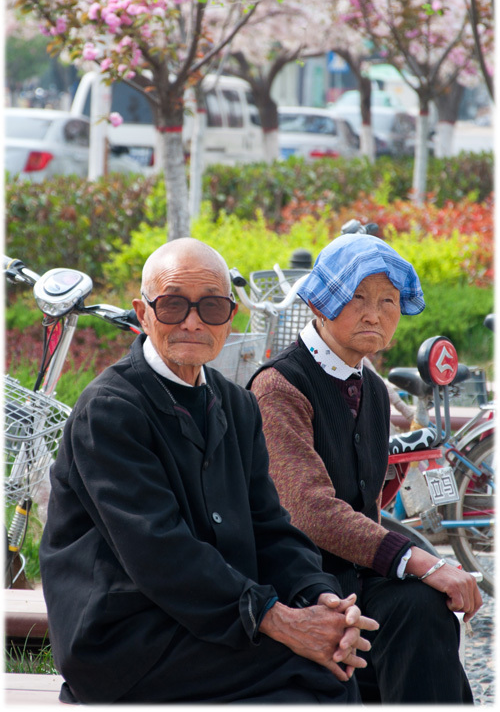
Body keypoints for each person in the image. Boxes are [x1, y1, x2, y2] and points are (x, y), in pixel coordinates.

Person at [39, 238, 379, 705]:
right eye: (173, 305)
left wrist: (319, 600)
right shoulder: (110, 410)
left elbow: (270, 525)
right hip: (126, 636)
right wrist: (277, 620)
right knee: (312, 677)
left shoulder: (236, 403)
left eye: (212, 307)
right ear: (143, 313)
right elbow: (160, 551)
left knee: (354, 660)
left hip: (215, 619)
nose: (193, 321)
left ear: (231, 316)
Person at [249, 233, 482, 704]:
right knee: (421, 607)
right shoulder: (279, 386)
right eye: (356, 298)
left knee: (425, 610)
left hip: (354, 582)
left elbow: (366, 504)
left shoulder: (370, 389)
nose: (374, 314)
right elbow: (310, 510)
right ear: (321, 302)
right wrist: (424, 561)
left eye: (389, 301)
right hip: (297, 586)